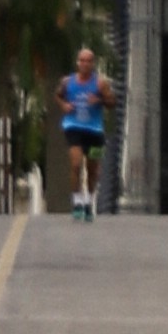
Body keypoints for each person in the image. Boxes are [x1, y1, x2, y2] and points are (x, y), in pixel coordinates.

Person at [57, 47, 110, 221]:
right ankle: (77, 202)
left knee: (93, 169)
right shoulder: (67, 82)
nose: (85, 64)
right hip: (73, 127)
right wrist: (63, 105)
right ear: (78, 63)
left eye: (88, 61)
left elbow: (113, 102)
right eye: (82, 60)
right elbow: (58, 95)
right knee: (76, 164)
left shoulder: (100, 83)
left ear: (93, 63)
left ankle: (89, 202)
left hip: (95, 131)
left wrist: (100, 100)